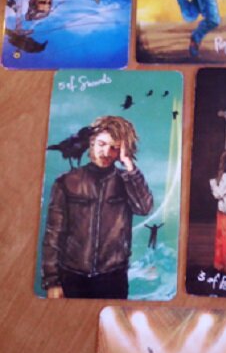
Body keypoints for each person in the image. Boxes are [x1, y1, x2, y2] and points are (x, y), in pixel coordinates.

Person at [41, 115, 153, 299]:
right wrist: (52, 281)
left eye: (114, 148)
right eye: (102, 144)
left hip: (113, 278)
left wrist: (129, 165)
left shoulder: (126, 181)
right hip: (72, 277)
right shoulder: (66, 182)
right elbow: (54, 233)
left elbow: (144, 208)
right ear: (91, 142)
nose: (106, 152)